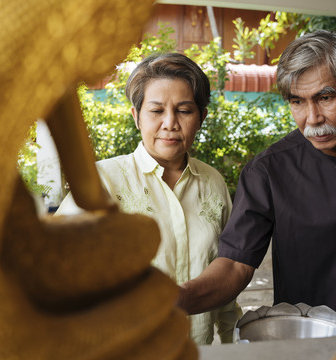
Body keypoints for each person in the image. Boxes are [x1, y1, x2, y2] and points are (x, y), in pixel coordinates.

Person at [56, 53, 242, 345]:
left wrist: (234, 342)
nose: (170, 123)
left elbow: (225, 280)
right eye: (156, 111)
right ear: (136, 116)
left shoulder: (213, 183)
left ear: (201, 117)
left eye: (184, 110)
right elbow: (58, 270)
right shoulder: (101, 182)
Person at [177, 30, 336, 316]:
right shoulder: (268, 172)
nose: (312, 118)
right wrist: (171, 301)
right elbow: (234, 265)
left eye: (325, 97)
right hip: (316, 342)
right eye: (297, 101)